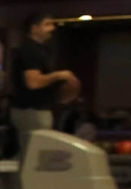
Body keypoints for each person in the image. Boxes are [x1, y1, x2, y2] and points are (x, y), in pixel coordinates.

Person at [9, 11, 79, 140]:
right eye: (47, 25)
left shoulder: (44, 50)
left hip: (39, 109)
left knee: (37, 149)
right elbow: (33, 82)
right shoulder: (29, 50)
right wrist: (59, 76)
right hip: (30, 110)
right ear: (34, 28)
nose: (52, 28)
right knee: (35, 149)